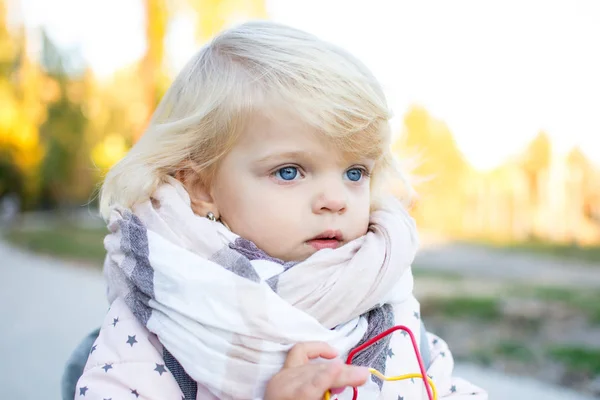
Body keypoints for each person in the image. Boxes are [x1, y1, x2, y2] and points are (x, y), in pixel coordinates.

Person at [73, 20, 487, 400]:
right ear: (201, 187)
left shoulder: (378, 285)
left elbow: (437, 382)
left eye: (355, 172)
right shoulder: (168, 302)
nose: (335, 199)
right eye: (289, 171)